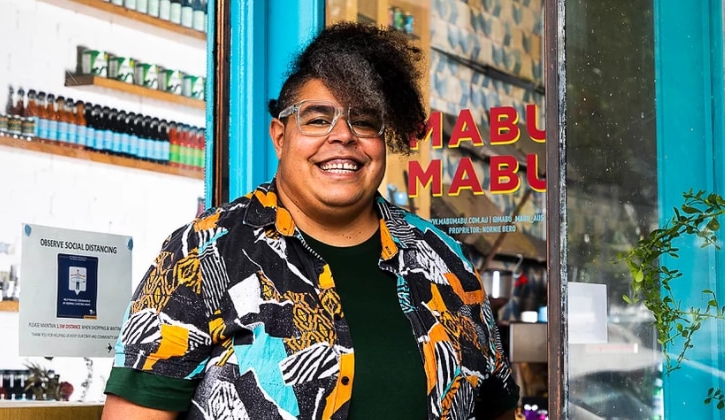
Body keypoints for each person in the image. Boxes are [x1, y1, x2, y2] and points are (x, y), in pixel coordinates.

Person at [102, 21, 519, 420]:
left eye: (365, 121)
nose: (343, 136)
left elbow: (497, 409)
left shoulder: (444, 261)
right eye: (318, 119)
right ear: (280, 137)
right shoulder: (202, 253)